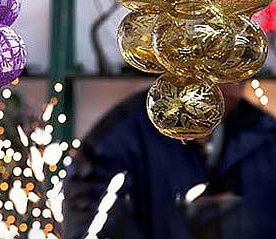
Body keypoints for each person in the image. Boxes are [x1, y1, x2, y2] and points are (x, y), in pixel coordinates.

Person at [63, 83, 276, 239]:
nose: (232, 89)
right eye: (221, 73)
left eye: (239, 77)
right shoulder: (131, 127)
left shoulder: (263, 132)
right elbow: (86, 207)